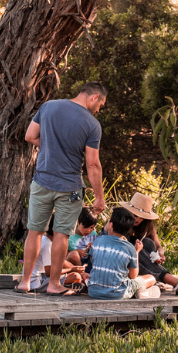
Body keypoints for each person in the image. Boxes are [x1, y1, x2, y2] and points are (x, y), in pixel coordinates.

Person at [17, 81, 108, 295]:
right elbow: (92, 164)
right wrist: (99, 196)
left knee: (35, 232)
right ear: (94, 97)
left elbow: (29, 136)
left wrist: (51, 147)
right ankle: (54, 284)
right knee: (61, 235)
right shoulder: (92, 124)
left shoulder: (48, 106)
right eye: (100, 105)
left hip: (41, 181)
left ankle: (25, 282)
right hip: (70, 187)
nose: (98, 110)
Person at [117, 193, 178, 296]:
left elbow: (157, 245)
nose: (138, 219)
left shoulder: (146, 225)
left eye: (142, 217)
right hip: (119, 259)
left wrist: (158, 253)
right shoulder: (119, 219)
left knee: (148, 243)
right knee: (134, 248)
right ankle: (175, 282)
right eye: (135, 215)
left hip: (138, 265)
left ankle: (152, 279)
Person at [86, 207, 158, 300]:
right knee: (151, 278)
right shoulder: (129, 248)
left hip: (93, 291)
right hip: (118, 294)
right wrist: (136, 252)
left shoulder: (98, 241)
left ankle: (138, 291)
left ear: (111, 225)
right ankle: (143, 292)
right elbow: (133, 276)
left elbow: (93, 261)